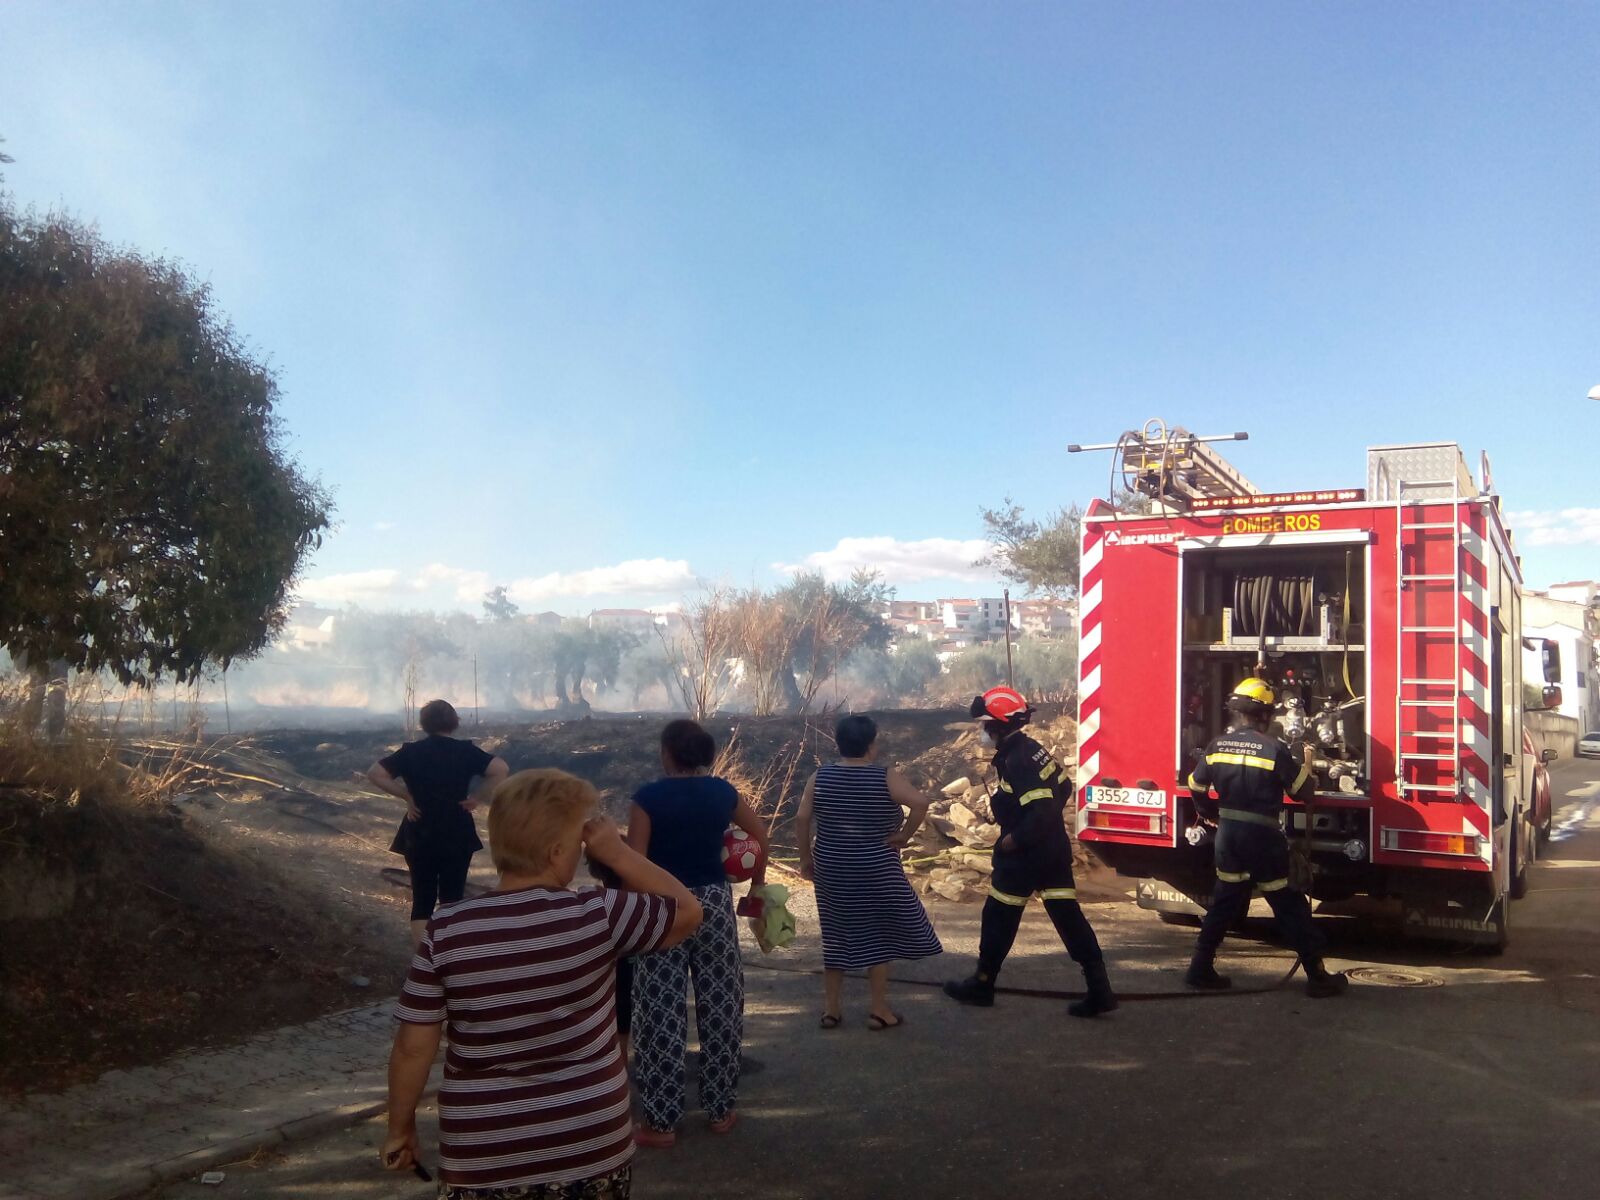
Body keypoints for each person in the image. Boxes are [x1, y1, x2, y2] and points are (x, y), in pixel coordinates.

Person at [382, 768, 704, 1199]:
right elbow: (688, 912)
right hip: (589, 1148)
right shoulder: (598, 914)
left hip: (482, 1156)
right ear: (557, 852)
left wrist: (400, 1128)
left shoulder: (448, 928)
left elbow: (413, 1046)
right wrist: (617, 854)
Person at [626, 720, 770, 1146]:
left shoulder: (646, 798)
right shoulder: (722, 792)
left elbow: (634, 862)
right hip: (713, 903)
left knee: (659, 1010)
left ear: (667, 753)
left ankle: (660, 1121)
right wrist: (757, 885)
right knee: (722, 1002)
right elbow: (759, 834)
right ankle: (722, 1108)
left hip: (663, 906)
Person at [944, 687, 1117, 1018]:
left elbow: (1038, 808)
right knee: (1069, 918)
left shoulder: (1017, 758)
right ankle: (1100, 990)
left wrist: (1015, 840)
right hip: (1052, 850)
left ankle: (982, 984)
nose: (980, 730)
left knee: (998, 916)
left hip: (1025, 856)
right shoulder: (1031, 748)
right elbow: (1063, 786)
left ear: (998, 726)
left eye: (983, 724)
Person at [1183, 677, 1348, 998]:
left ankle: (1199, 968)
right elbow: (1303, 791)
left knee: (1225, 903)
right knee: (1288, 905)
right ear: (1265, 715)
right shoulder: (1274, 748)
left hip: (1228, 838)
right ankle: (1317, 976)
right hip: (1263, 839)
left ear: (1237, 712)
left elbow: (1195, 785)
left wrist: (1209, 814)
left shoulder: (1217, 746)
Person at [797, 714, 942, 1031]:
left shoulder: (819, 777)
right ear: (871, 746)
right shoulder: (884, 776)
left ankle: (831, 1011)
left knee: (835, 934)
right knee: (878, 934)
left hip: (831, 866)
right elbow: (920, 802)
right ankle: (879, 1010)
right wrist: (903, 836)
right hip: (876, 866)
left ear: (839, 744)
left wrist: (806, 859)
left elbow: (802, 818)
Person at [365, 699, 510, 945]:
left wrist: (406, 796)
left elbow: (374, 773)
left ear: (424, 724)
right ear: (454, 723)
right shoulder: (465, 751)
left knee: (422, 899)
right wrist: (476, 797)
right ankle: (450, 958)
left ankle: (424, 962)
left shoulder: (410, 752)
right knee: (452, 898)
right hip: (456, 829)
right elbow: (501, 768)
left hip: (419, 828)